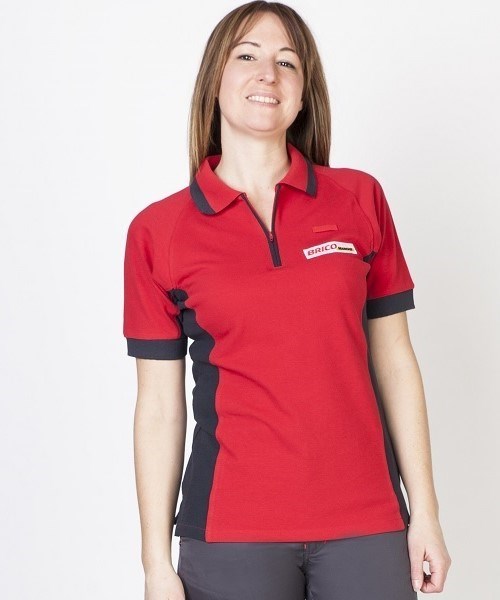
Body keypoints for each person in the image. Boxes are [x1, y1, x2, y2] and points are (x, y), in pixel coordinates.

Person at [123, 2, 452, 599]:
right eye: (247, 56)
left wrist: (424, 512)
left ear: (304, 94)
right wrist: (155, 564)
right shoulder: (159, 231)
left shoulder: (359, 199)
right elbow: (159, 409)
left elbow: (396, 362)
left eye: (287, 62)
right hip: (230, 532)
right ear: (215, 79)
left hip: (368, 523)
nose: (267, 74)